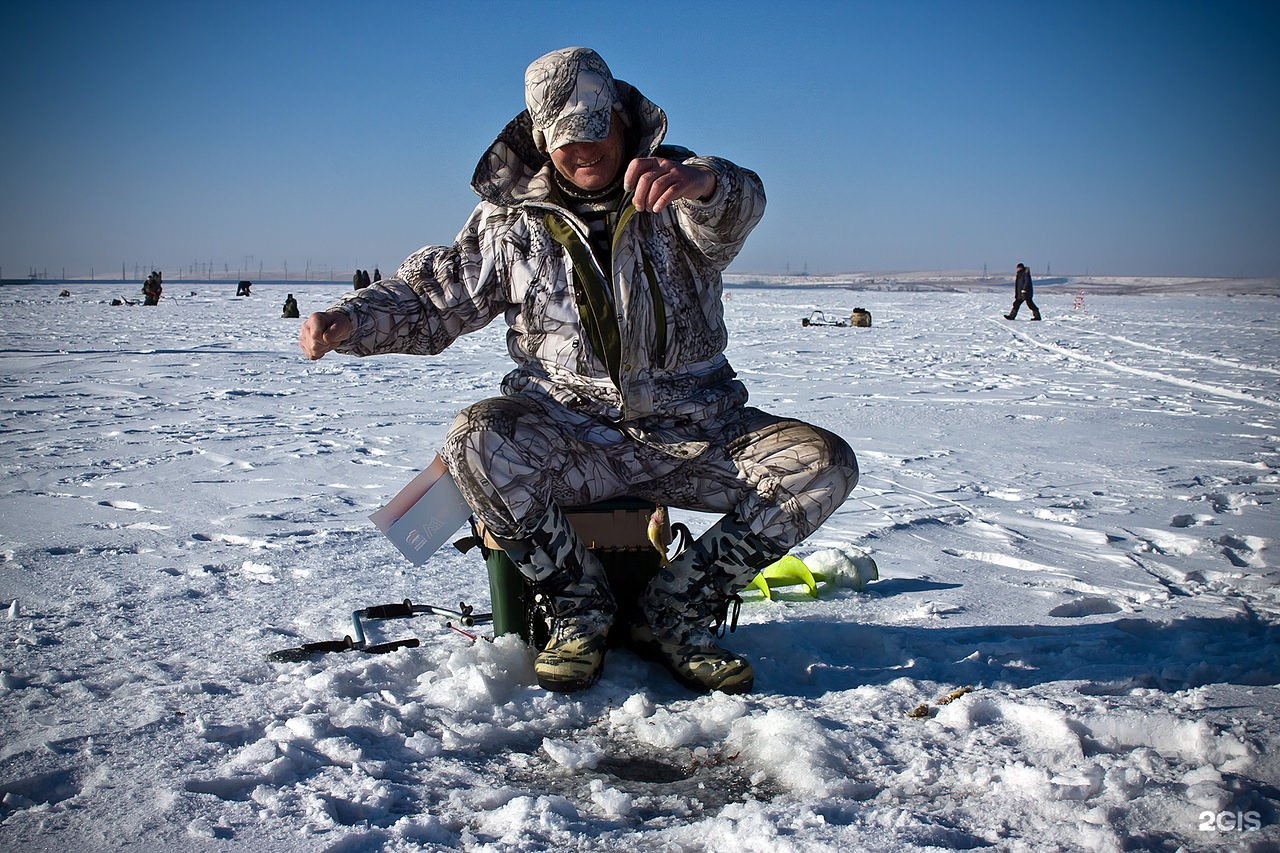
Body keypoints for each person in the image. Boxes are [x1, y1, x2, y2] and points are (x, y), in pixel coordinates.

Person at [299, 47, 858, 695]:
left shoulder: (678, 189)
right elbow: (435, 299)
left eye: (596, 130)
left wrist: (704, 183)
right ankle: (577, 609)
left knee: (825, 464)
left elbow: (737, 205)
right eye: (565, 138)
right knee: (473, 439)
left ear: (624, 119)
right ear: (540, 137)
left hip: (696, 431)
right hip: (568, 437)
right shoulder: (510, 223)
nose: (583, 149)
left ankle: (676, 609)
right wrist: (349, 321)